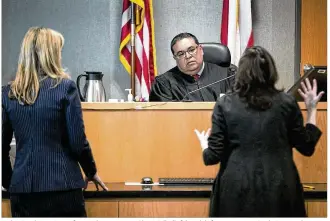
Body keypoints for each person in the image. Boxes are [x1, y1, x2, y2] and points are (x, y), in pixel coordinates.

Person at [194, 46, 324, 217]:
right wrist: (312, 109)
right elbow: (306, 147)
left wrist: (204, 145)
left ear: (240, 72)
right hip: (280, 189)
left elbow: (212, 157)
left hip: (235, 190)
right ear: (271, 71)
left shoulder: (225, 104)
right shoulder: (287, 103)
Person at [2, 27, 108, 217]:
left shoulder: (8, 93)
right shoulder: (65, 88)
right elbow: (77, 142)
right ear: (51, 55)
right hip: (63, 187)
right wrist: (91, 171)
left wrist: (11, 182)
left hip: (22, 190)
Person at [149, 32, 236, 101]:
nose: (188, 56)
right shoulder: (164, 84)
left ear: (201, 50)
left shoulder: (228, 76)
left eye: (191, 50)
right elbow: (163, 118)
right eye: (181, 54)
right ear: (175, 58)